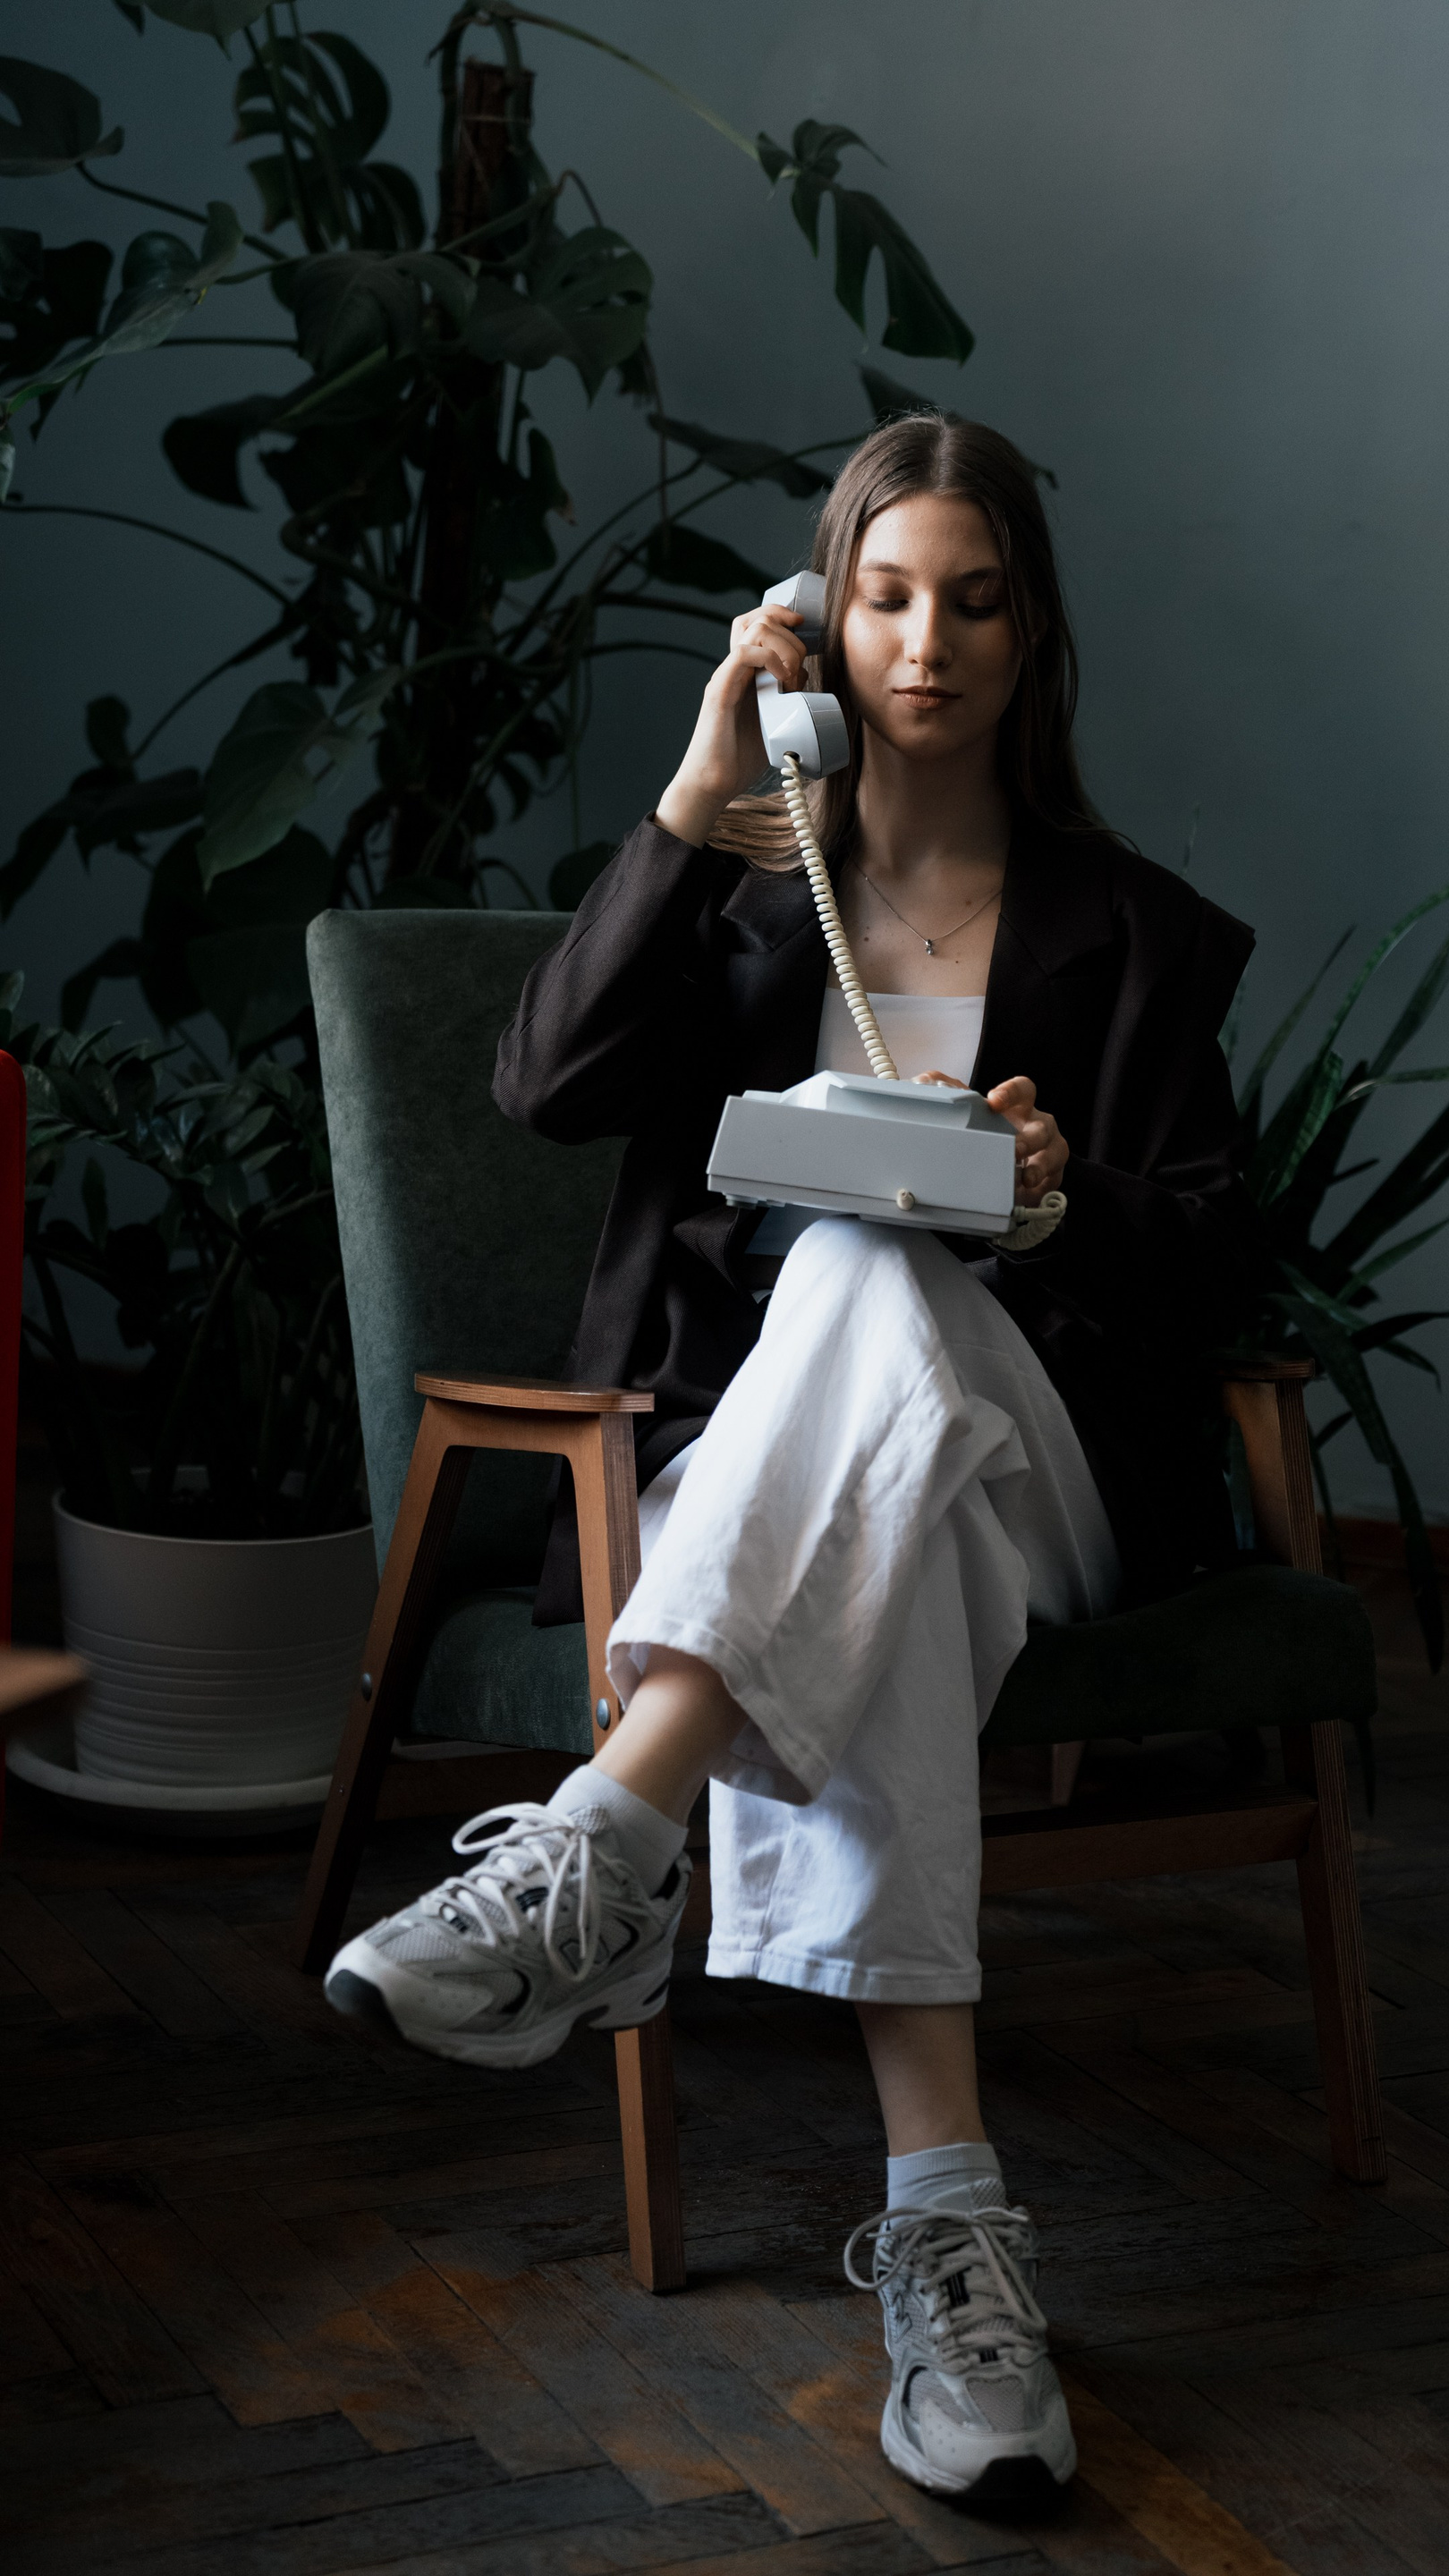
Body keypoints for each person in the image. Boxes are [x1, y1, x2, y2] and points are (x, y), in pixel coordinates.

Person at [325, 415, 1258, 2506]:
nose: (927, 644)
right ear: (820, 623)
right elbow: (543, 1085)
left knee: (891, 1269)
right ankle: (952, 2236)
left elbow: (1219, 1264)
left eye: (975, 602)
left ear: (1034, 634)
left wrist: (1057, 1197)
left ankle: (608, 1839)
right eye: (887, 597)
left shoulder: (1140, 933)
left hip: (1042, 1472)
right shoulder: (744, 902)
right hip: (764, 1485)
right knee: (880, 1451)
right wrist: (695, 797)